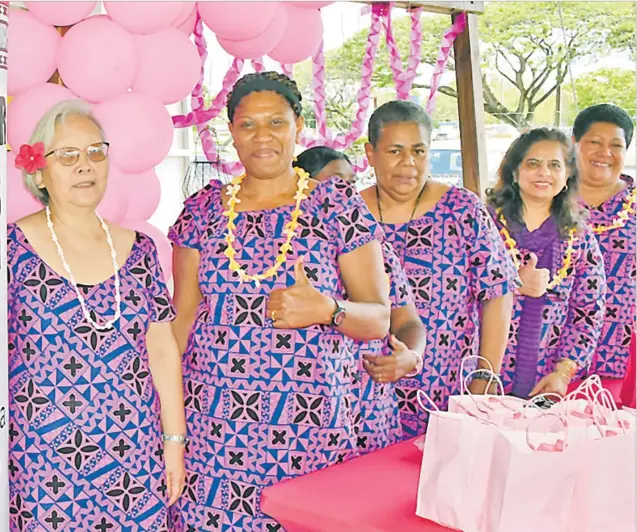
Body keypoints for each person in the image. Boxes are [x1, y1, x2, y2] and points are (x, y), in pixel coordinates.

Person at [168, 72, 391, 530]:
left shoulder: (337, 206)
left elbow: (379, 319)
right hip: (215, 429)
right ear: (231, 131)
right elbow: (181, 322)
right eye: (247, 124)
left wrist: (330, 310)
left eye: (275, 122)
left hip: (309, 428)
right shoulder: (203, 210)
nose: (261, 136)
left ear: (298, 125)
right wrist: (169, 423)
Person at [7, 100, 186, 531]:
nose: (84, 165)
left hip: (134, 453)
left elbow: (162, 353)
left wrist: (174, 443)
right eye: (67, 155)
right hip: (40, 461)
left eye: (95, 152)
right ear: (38, 171)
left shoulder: (139, 250)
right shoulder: (10, 249)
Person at [361, 100, 519, 437]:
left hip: (448, 385)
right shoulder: (349, 214)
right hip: (369, 388)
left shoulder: (461, 208)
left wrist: (485, 375)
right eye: (395, 151)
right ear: (370, 154)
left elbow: (497, 291)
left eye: (419, 151)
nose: (408, 163)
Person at [295, 146, 427, 453]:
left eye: (351, 183)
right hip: (309, 416)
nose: (347, 194)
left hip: (369, 408)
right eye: (336, 184)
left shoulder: (374, 247)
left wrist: (411, 357)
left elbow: (408, 322)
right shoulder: (285, 250)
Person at [487, 128, 606, 398]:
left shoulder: (579, 237)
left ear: (567, 177)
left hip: (548, 385)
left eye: (555, 165)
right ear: (515, 173)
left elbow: (588, 311)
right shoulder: (484, 225)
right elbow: (457, 295)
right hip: (484, 378)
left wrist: (562, 373)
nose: (544, 173)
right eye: (533, 164)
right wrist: (513, 284)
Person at [573, 104, 635, 399]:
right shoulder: (544, 198)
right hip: (555, 361)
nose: (604, 153)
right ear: (574, 143)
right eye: (594, 142)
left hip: (625, 364)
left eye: (616, 145)